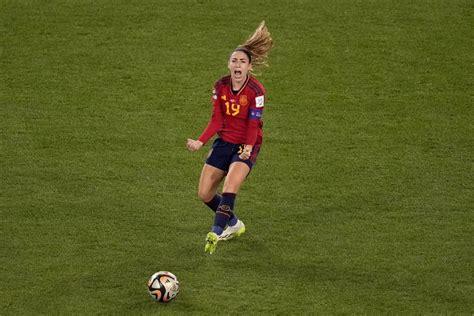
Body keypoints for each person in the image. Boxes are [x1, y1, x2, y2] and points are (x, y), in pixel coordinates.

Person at [186, 21, 273, 254]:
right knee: (204, 193)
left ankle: (215, 232)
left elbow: (253, 125)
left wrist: (247, 147)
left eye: (242, 61)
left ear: (249, 66)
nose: (237, 64)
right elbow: (217, 120)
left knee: (230, 185)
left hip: (247, 143)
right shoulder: (220, 86)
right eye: (234, 61)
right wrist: (200, 141)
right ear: (228, 64)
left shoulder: (256, 91)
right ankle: (234, 224)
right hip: (224, 141)